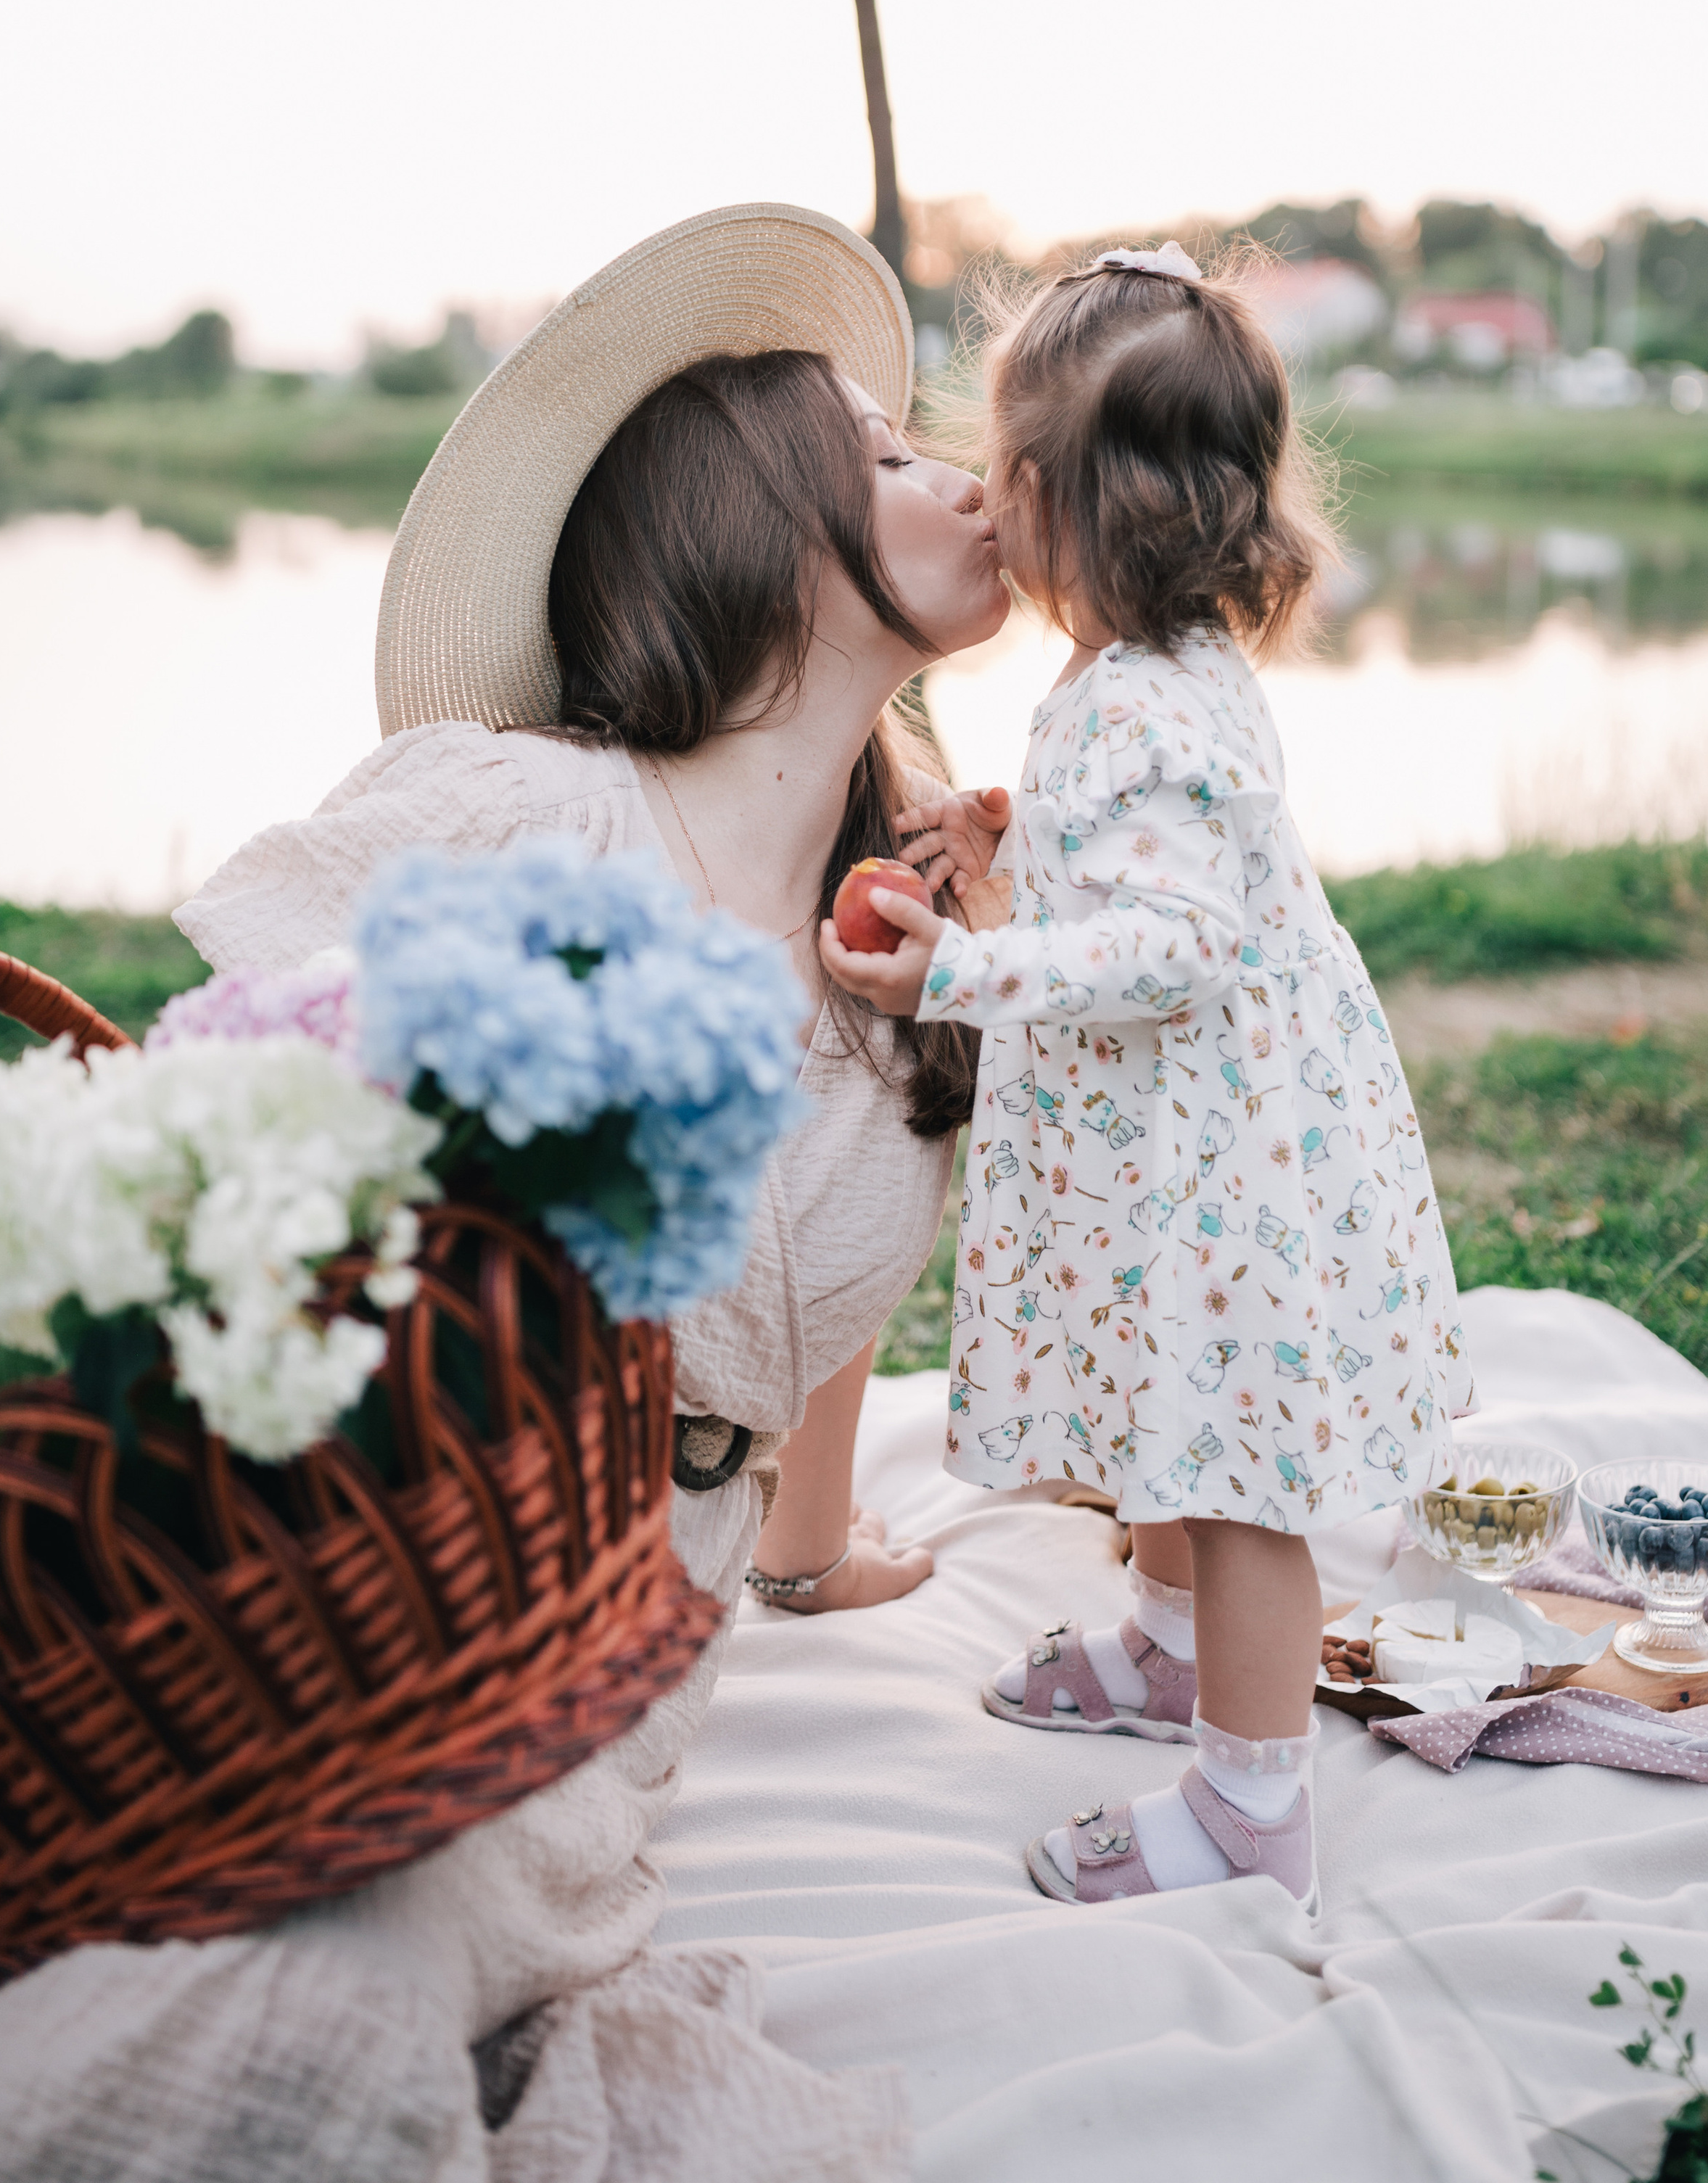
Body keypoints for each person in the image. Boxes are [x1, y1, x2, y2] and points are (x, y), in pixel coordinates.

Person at [176, 204, 1010, 1646]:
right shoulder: (524, 818)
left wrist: (801, 1556)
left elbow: (808, 1290)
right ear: (744, 531)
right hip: (362, 1563)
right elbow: (228, 1079)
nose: (965, 485)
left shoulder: (931, 884)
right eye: (882, 459)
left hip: (640, 1639)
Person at [824, 238, 1475, 1912]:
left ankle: (1252, 1804)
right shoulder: (1141, 682)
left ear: (1046, 499)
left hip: (1211, 1151)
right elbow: (1165, 868)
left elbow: (1175, 939)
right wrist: (1012, 835)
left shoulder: (1142, 704)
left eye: (992, 467)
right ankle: (1172, 1647)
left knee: (1230, 1468)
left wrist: (965, 961)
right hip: (1171, 1141)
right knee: (1166, 1421)